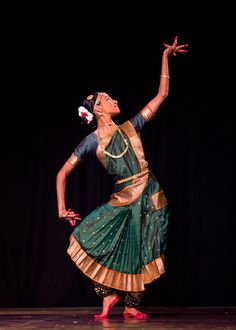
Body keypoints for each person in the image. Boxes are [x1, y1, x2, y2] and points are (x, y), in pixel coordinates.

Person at [56, 36, 188, 319]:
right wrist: (61, 208)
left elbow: (161, 95)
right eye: (107, 99)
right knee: (97, 239)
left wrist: (165, 58)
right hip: (122, 198)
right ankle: (111, 297)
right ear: (98, 110)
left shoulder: (132, 126)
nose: (114, 100)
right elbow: (63, 172)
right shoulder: (91, 142)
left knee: (147, 243)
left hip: (149, 192)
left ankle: (131, 304)